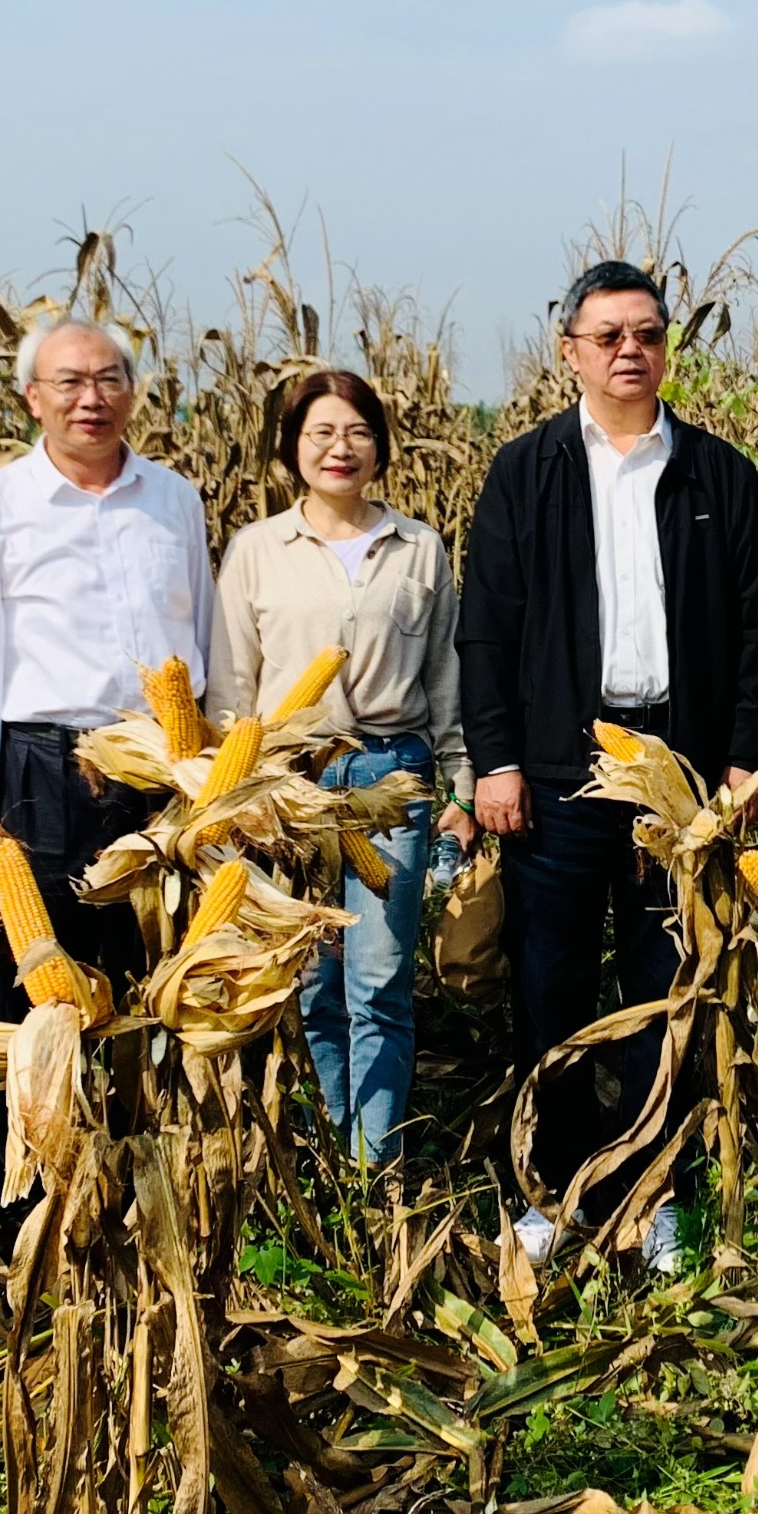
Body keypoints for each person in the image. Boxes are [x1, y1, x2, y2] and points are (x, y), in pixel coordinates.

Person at [460, 260, 758, 1274]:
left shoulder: (719, 473)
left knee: (666, 987)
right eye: (608, 336)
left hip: (676, 777)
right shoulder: (527, 470)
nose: (629, 351)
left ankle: (655, 1196)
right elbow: (487, 629)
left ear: (666, 346)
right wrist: (496, 759)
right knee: (549, 990)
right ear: (571, 352)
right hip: (560, 769)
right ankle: (550, 1192)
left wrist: (746, 758)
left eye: (646, 333)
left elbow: (755, 627)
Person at [209, 368, 473, 1166]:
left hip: (392, 778)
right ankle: (332, 1151)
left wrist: (461, 786)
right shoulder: (257, 550)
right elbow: (232, 685)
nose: (340, 448)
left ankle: (374, 1168)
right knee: (312, 981)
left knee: (380, 981)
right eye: (321, 432)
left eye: (357, 432)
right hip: (289, 785)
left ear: (380, 447)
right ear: (291, 446)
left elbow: (445, 677)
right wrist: (228, 797)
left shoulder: (419, 548)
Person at [0, 319, 215, 1002]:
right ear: (33, 397)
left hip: (163, 767)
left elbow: (205, 632)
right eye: (69, 381)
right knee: (45, 982)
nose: (91, 397)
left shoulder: (175, 499)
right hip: (44, 770)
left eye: (108, 379)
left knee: (158, 975)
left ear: (132, 392)